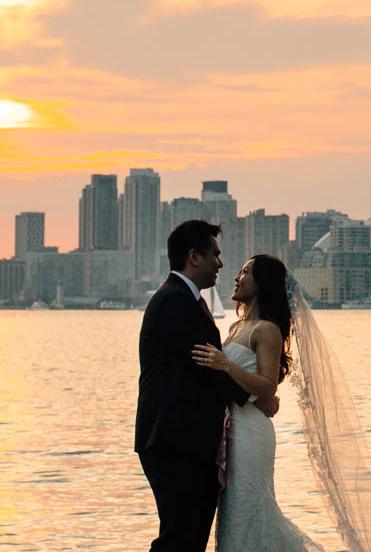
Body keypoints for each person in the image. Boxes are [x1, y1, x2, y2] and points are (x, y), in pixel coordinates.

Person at [135, 220, 279, 552]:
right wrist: (257, 397)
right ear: (194, 257)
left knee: (189, 535)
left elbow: (211, 367)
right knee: (181, 537)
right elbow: (208, 369)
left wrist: (259, 393)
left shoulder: (186, 301)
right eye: (215, 254)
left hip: (186, 440)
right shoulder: (176, 302)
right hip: (176, 441)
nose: (221, 264)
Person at [191, 253, 324, 551]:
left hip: (251, 433)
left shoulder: (267, 329)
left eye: (246, 272)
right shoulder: (236, 327)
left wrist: (226, 365)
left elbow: (266, 387)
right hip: (232, 430)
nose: (237, 277)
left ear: (262, 283)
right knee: (233, 512)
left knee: (250, 507)